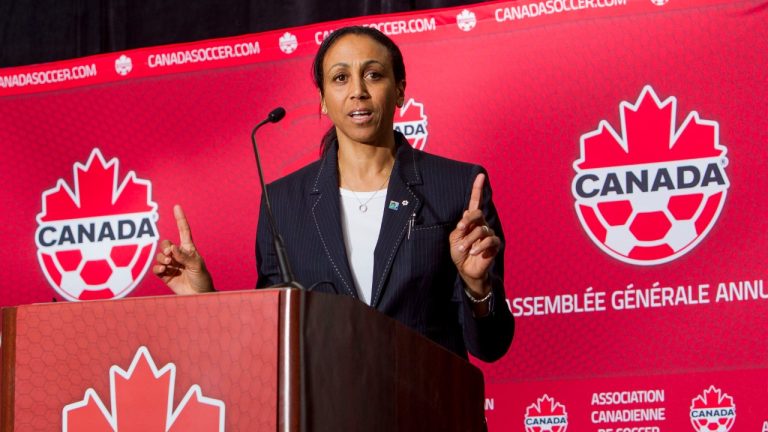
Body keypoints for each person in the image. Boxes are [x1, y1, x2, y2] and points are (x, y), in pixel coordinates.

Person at [153, 26, 513, 362]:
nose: (358, 90)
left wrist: (476, 285)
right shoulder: (283, 202)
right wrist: (203, 298)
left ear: (400, 89)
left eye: (373, 74)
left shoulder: (459, 186)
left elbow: (491, 345)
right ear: (323, 99)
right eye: (341, 78)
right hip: (326, 402)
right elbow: (270, 338)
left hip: (428, 400)